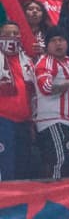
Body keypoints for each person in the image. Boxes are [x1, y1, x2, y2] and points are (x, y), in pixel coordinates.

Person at [34, 27, 69, 179]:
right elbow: (46, 88)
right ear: (46, 45)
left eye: (61, 40)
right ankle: (54, 197)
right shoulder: (46, 61)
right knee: (60, 161)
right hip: (54, 121)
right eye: (53, 41)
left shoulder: (67, 62)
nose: (58, 44)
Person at [0, 21, 36, 181]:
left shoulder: (28, 60)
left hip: (25, 122)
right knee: (6, 166)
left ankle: (21, 204)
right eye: (8, 34)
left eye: (16, 33)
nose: (13, 37)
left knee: (24, 165)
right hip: (3, 120)